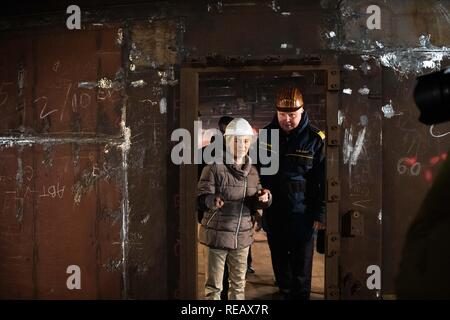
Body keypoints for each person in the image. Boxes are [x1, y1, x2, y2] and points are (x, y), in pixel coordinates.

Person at [258, 86, 326, 300]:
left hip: (303, 215)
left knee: (302, 268)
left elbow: (323, 180)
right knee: (280, 266)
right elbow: (255, 173)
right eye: (283, 114)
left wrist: (320, 214)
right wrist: (256, 205)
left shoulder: (315, 139)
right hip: (274, 214)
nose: (287, 119)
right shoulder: (265, 136)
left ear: (302, 111)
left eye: (292, 115)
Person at [198, 118, 272, 300]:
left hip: (242, 238)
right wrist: (210, 200)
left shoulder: (252, 172)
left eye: (246, 140)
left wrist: (265, 198)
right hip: (217, 236)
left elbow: (254, 203)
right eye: (237, 140)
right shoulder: (214, 167)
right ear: (228, 141)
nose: (242, 145)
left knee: (238, 287)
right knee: (214, 288)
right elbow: (200, 199)